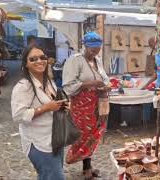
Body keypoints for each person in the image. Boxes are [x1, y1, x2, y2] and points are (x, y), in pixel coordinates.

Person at [11, 45, 65, 180]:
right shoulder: (23, 87)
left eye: (42, 57)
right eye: (33, 59)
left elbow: (54, 104)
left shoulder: (49, 82)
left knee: (48, 175)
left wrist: (63, 106)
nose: (39, 61)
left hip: (55, 138)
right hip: (38, 143)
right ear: (26, 64)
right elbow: (18, 116)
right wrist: (46, 108)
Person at [62, 32, 109, 179]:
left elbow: (104, 78)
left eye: (98, 48)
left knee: (95, 134)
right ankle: (84, 166)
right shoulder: (75, 60)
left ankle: (88, 166)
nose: (95, 52)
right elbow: (68, 85)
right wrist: (91, 84)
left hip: (98, 104)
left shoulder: (98, 60)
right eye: (92, 49)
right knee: (85, 135)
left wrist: (106, 86)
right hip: (82, 105)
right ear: (85, 46)